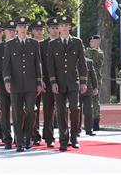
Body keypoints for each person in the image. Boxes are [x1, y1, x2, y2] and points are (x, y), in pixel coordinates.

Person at [47, 15, 87, 152]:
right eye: (61, 25)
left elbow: (82, 63)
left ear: (70, 27)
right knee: (61, 111)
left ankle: (74, 137)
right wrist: (53, 82)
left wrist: (83, 82)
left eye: (66, 25)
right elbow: (50, 66)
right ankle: (63, 140)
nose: (64, 28)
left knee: (75, 108)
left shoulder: (77, 42)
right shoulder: (52, 44)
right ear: (58, 28)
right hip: (59, 83)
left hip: (73, 82)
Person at [3, 16, 43, 152]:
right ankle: (19, 142)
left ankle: (27, 136)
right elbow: (6, 65)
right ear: (17, 29)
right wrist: (7, 81)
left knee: (31, 111)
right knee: (17, 113)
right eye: (20, 27)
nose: (22, 29)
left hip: (31, 84)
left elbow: (38, 64)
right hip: (16, 84)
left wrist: (39, 81)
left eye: (25, 27)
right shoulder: (10, 44)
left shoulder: (34, 44)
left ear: (27, 29)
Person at [0, 20, 16, 149]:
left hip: (19, 84)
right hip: (2, 84)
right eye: (9, 30)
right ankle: (6, 138)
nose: (11, 33)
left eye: (13, 30)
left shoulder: (21, 45)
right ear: (4, 32)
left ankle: (19, 137)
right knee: (4, 111)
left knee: (19, 112)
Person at [39, 16, 59, 147]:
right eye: (52, 28)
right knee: (48, 109)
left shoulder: (63, 43)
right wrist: (41, 79)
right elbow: (38, 64)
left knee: (62, 109)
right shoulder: (42, 45)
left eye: (57, 28)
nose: (55, 30)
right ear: (48, 30)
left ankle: (64, 135)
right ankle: (48, 136)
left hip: (62, 81)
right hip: (46, 80)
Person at [29, 19, 45, 146]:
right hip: (33, 82)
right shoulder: (30, 44)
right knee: (32, 109)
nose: (39, 32)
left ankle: (47, 134)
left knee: (49, 110)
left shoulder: (48, 44)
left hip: (48, 82)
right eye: (37, 30)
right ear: (32, 31)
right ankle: (33, 133)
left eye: (41, 29)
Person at [85, 35, 104, 131]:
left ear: (98, 42)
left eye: (93, 41)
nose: (91, 43)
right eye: (91, 41)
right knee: (88, 101)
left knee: (95, 101)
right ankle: (89, 121)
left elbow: (90, 54)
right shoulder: (89, 51)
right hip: (88, 79)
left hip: (95, 79)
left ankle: (95, 122)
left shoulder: (99, 53)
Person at [79, 58, 98, 136]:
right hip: (76, 90)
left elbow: (93, 76)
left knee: (88, 110)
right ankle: (77, 130)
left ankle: (89, 129)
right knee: (77, 110)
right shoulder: (71, 60)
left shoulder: (89, 62)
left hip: (87, 90)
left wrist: (95, 87)